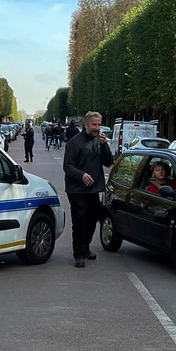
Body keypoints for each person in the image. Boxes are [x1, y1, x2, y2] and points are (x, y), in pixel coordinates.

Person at [63, 111, 114, 268]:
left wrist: (105, 146)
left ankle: (85, 247)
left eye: (99, 125)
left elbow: (108, 162)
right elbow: (67, 166)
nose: (97, 128)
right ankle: (79, 254)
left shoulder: (99, 141)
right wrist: (81, 175)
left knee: (93, 219)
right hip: (76, 189)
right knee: (80, 222)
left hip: (93, 188)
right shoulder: (74, 142)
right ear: (85, 125)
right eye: (94, 125)